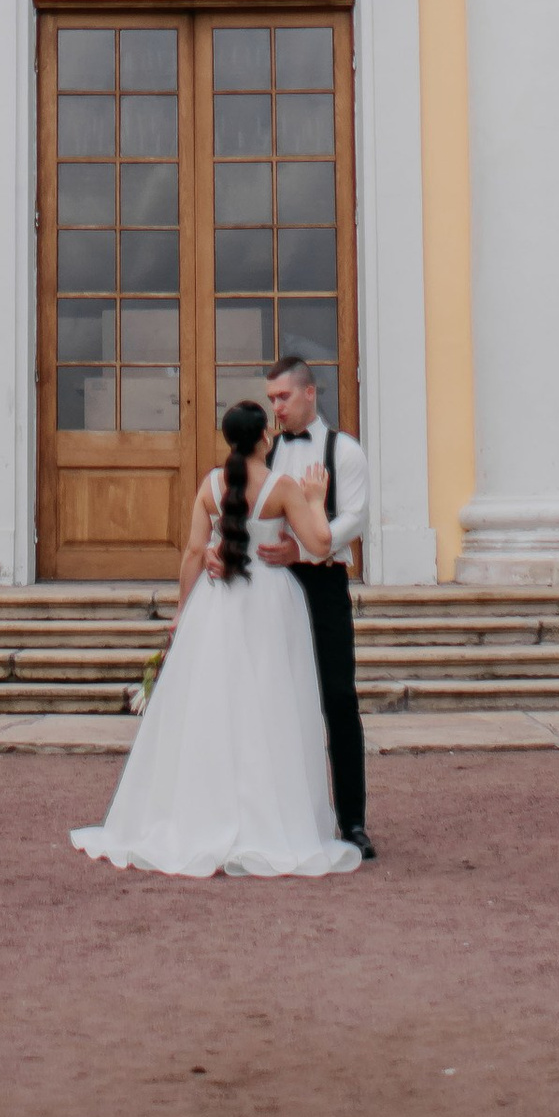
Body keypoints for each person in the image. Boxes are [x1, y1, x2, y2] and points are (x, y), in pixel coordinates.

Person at [71, 399, 364, 879]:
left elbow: (192, 551)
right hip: (270, 602)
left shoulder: (210, 484)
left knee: (210, 705)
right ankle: (270, 818)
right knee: (270, 705)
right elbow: (317, 543)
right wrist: (315, 498)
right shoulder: (283, 487)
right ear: (265, 438)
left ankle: (202, 811)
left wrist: (183, 610)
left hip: (217, 603)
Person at [260, 351, 375, 856]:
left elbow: (354, 518)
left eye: (283, 397)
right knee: (276, 700)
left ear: (310, 393)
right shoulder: (267, 453)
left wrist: (303, 548)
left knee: (338, 699)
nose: (276, 409)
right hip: (273, 588)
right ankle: (280, 818)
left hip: (324, 586)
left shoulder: (344, 451)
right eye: (271, 400)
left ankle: (352, 821)